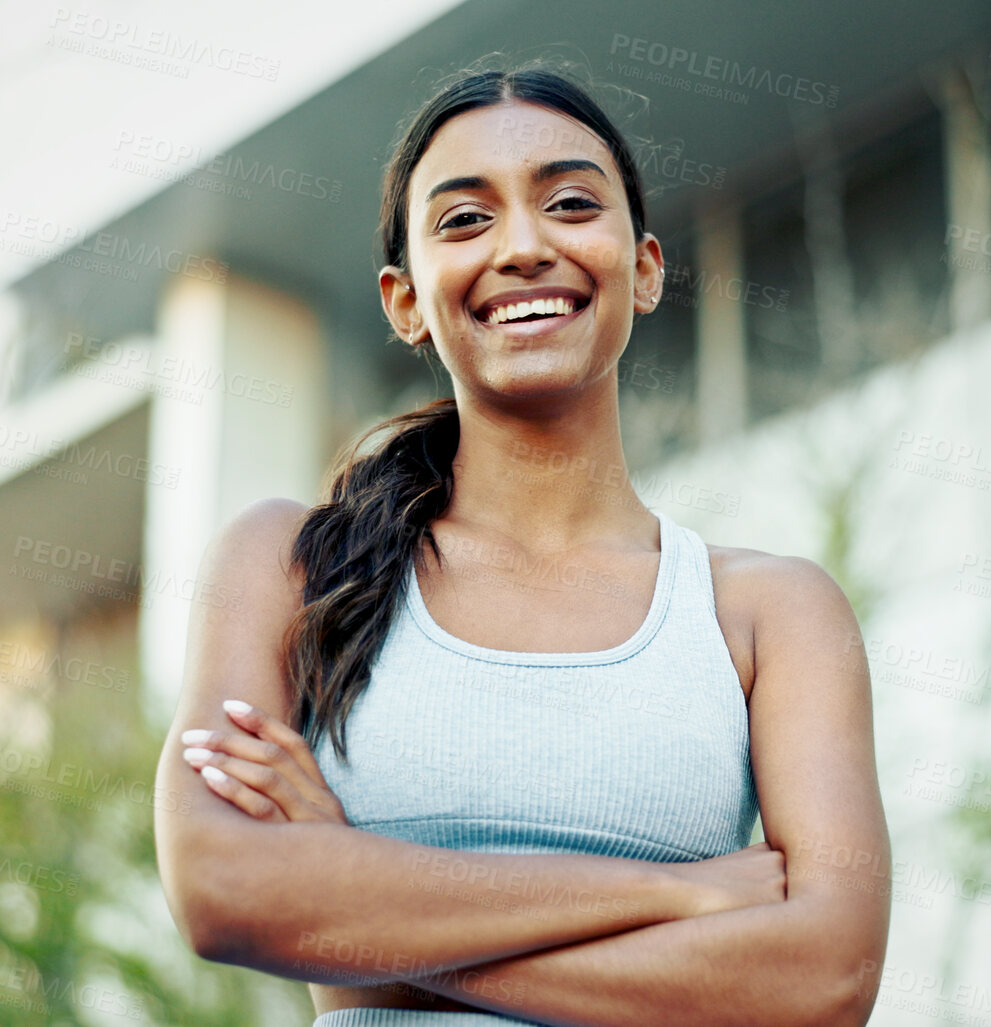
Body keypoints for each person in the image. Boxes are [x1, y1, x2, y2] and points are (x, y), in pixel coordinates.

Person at [153, 58, 891, 1026]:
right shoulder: (290, 564)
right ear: (405, 300)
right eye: (465, 219)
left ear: (645, 267)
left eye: (571, 204)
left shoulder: (772, 612)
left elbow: (825, 978)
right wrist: (674, 891)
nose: (524, 246)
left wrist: (355, 917)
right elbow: (221, 889)